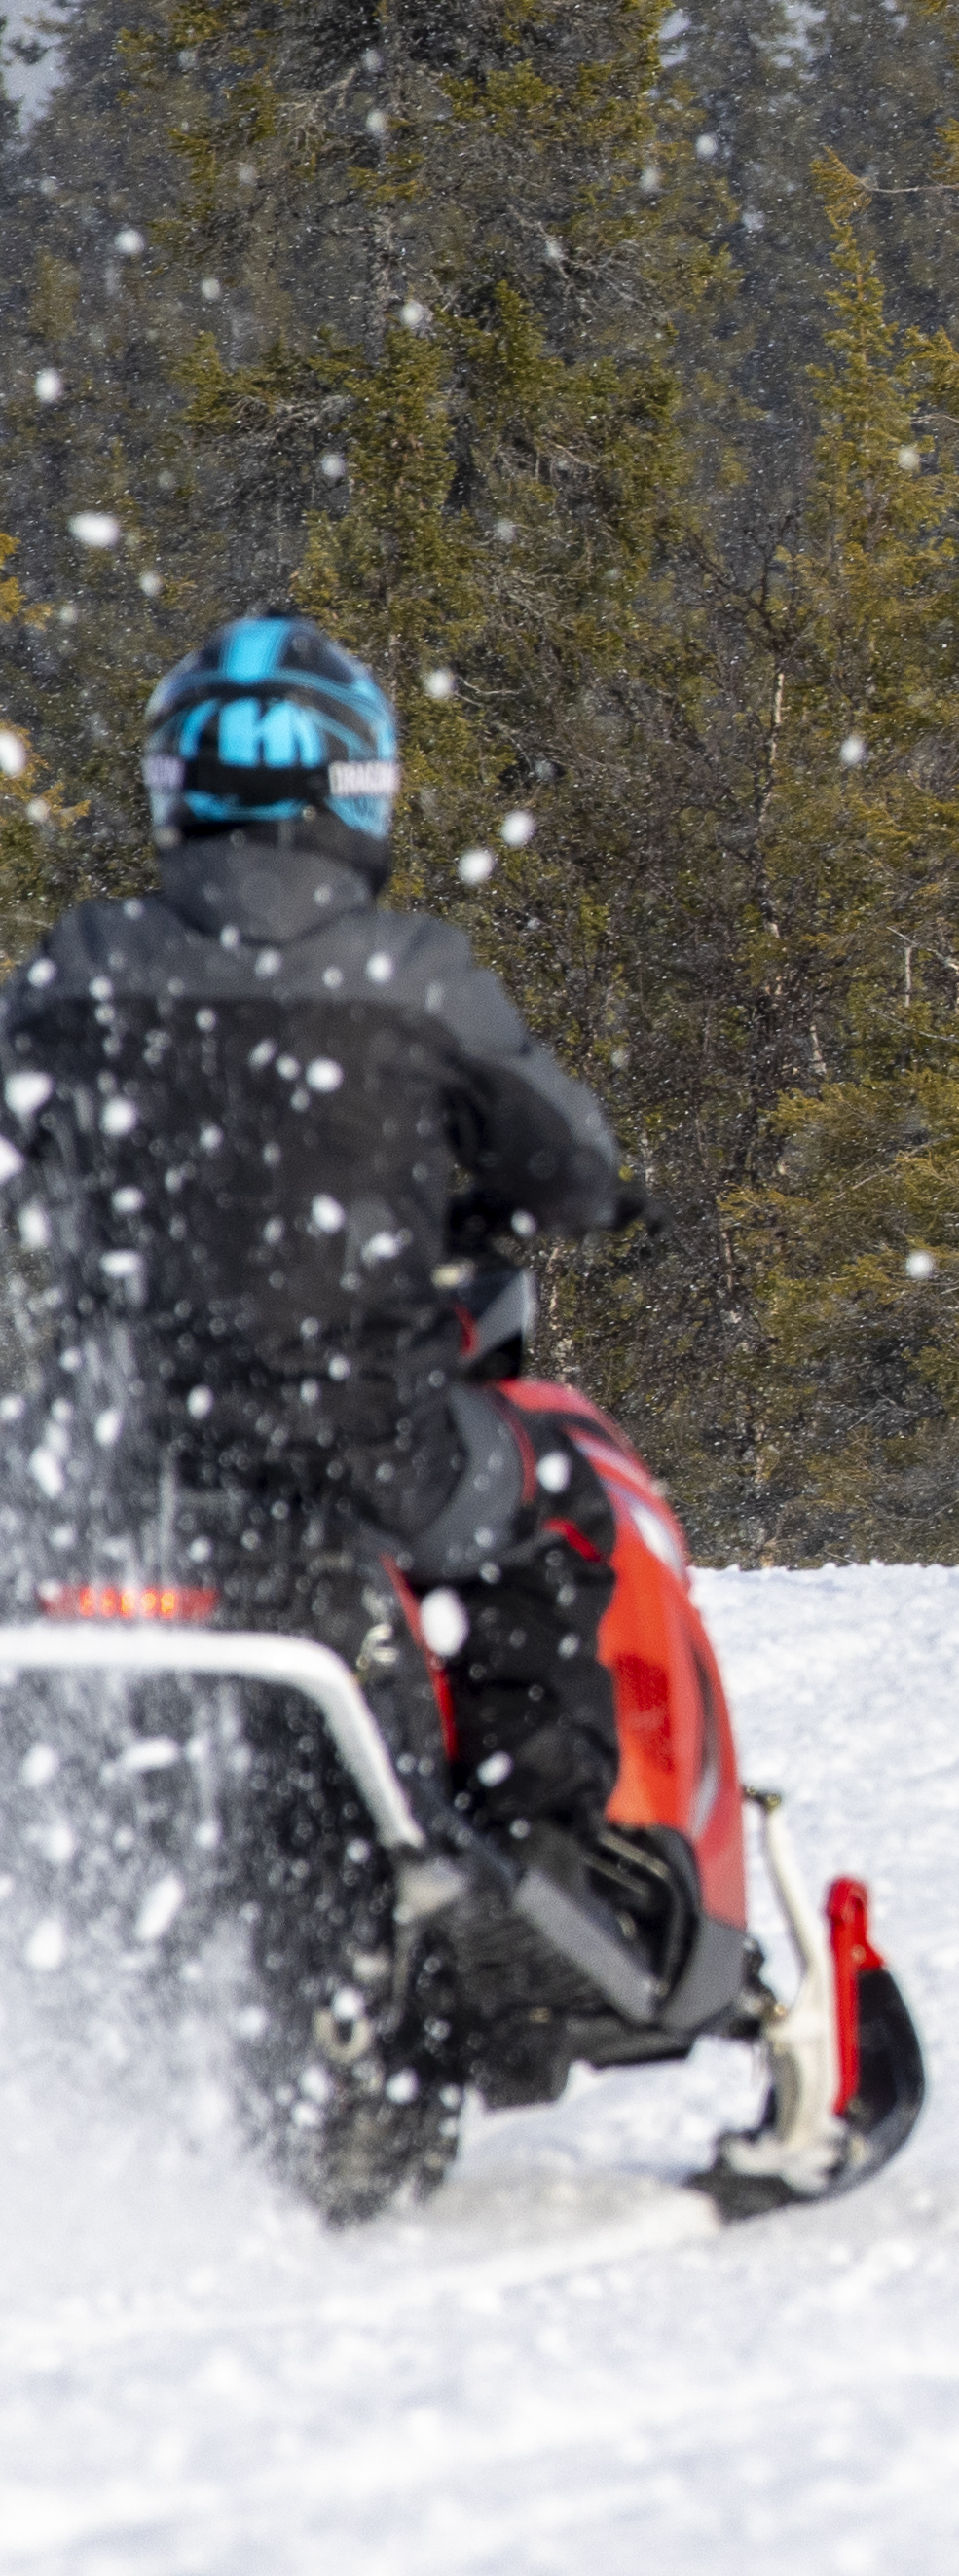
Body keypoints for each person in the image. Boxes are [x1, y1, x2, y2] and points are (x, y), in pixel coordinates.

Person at [3, 617, 645, 1921]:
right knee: (565, 1501)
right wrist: (594, 1196)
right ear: (356, 781)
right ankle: (542, 1849)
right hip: (357, 1451)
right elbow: (571, 1164)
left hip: (125, 1456)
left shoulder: (84, 966)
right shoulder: (412, 978)